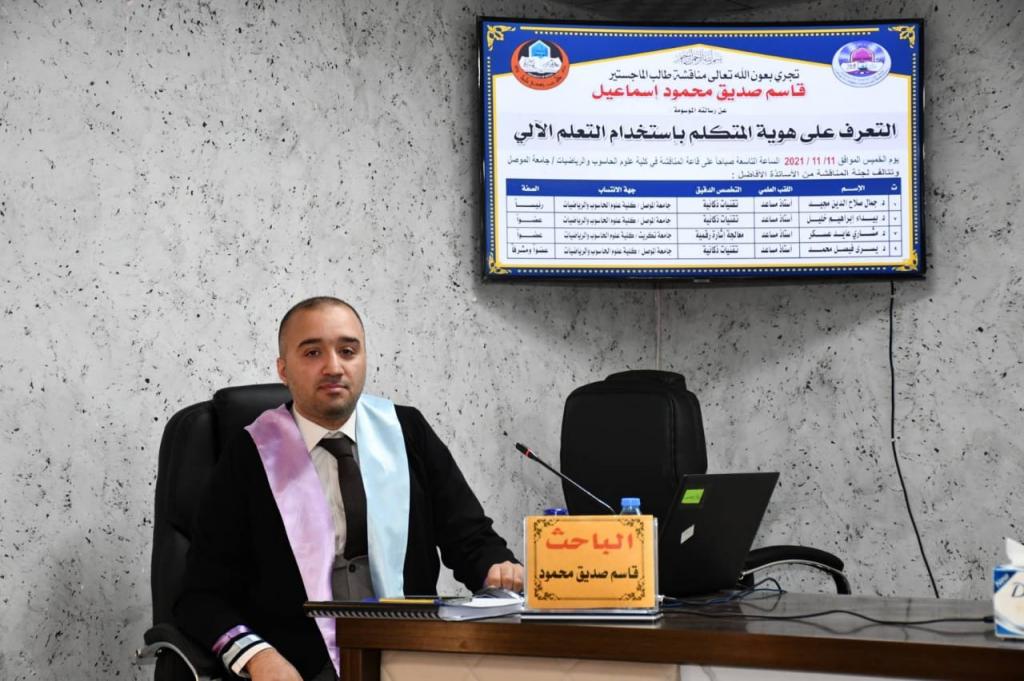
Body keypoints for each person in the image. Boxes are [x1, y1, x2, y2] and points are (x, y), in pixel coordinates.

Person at [175, 297, 523, 681]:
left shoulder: (407, 432)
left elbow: (470, 538)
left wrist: (498, 569)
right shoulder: (250, 454)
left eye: (347, 351)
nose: (334, 367)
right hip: (301, 665)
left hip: (410, 653)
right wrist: (259, 657)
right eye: (312, 352)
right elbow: (201, 595)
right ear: (283, 369)